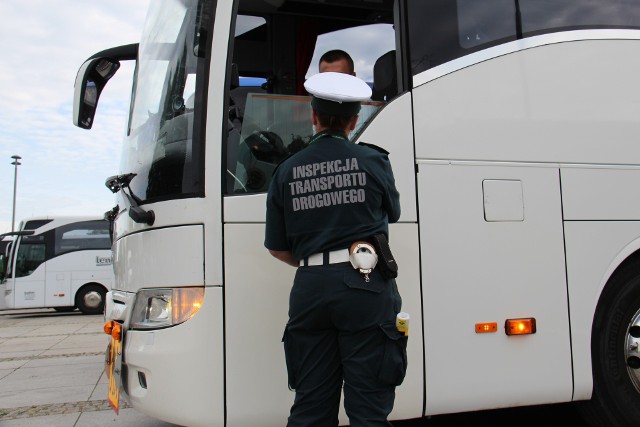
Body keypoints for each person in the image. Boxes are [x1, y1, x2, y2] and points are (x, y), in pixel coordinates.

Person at [264, 71, 406, 427]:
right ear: (354, 121)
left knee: (310, 407)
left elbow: (278, 248)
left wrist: (317, 264)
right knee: (368, 410)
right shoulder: (374, 161)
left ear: (313, 117)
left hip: (310, 286)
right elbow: (395, 213)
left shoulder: (286, 170)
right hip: (365, 284)